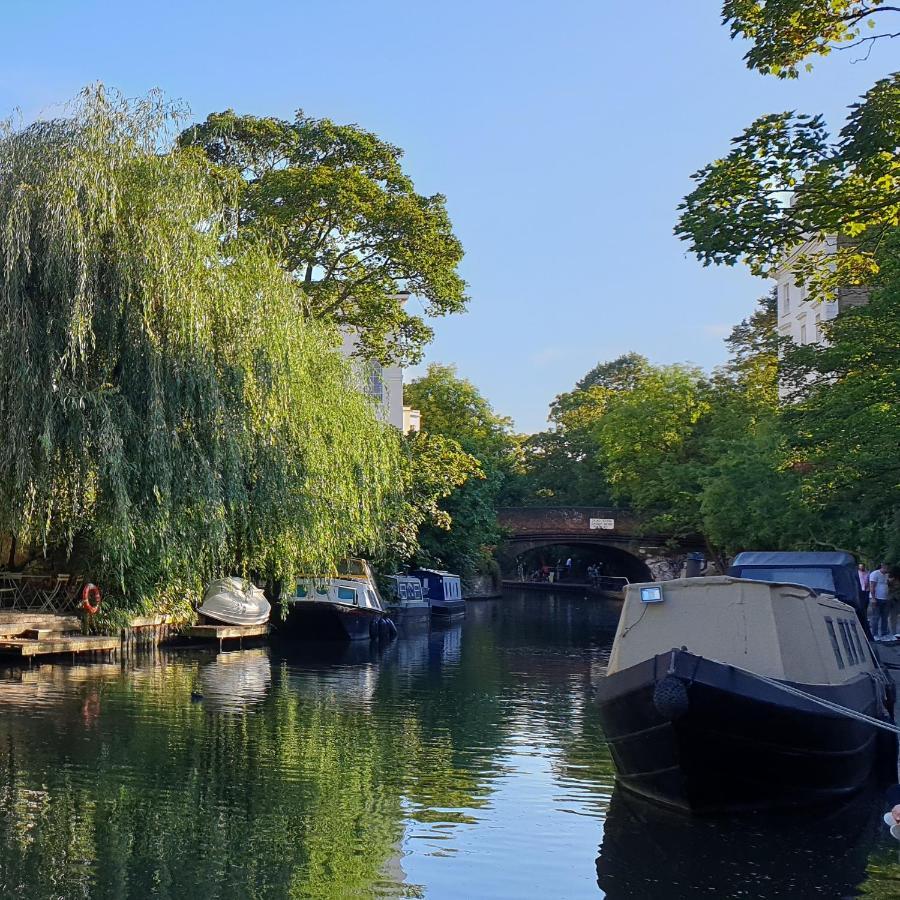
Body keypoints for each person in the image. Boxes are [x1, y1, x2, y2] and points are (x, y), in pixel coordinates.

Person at [870, 562, 892, 641]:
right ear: (883, 566)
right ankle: (875, 634)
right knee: (876, 617)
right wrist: (873, 598)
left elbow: (887, 585)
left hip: (885, 599)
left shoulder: (886, 575)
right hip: (876, 598)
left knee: (884, 617)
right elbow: (872, 586)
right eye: (887, 567)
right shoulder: (875, 574)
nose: (888, 569)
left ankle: (884, 633)